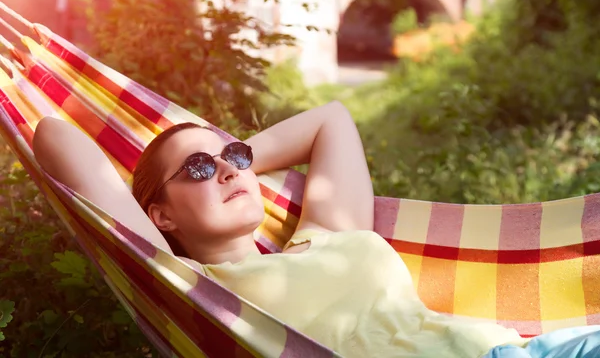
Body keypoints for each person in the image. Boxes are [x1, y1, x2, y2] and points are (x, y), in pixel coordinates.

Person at [32, 101, 600, 357]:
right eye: (200, 169)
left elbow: (332, 118)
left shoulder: (326, 232)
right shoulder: (193, 286)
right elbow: (53, 133)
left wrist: (225, 159)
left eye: (234, 155)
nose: (230, 168)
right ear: (161, 217)